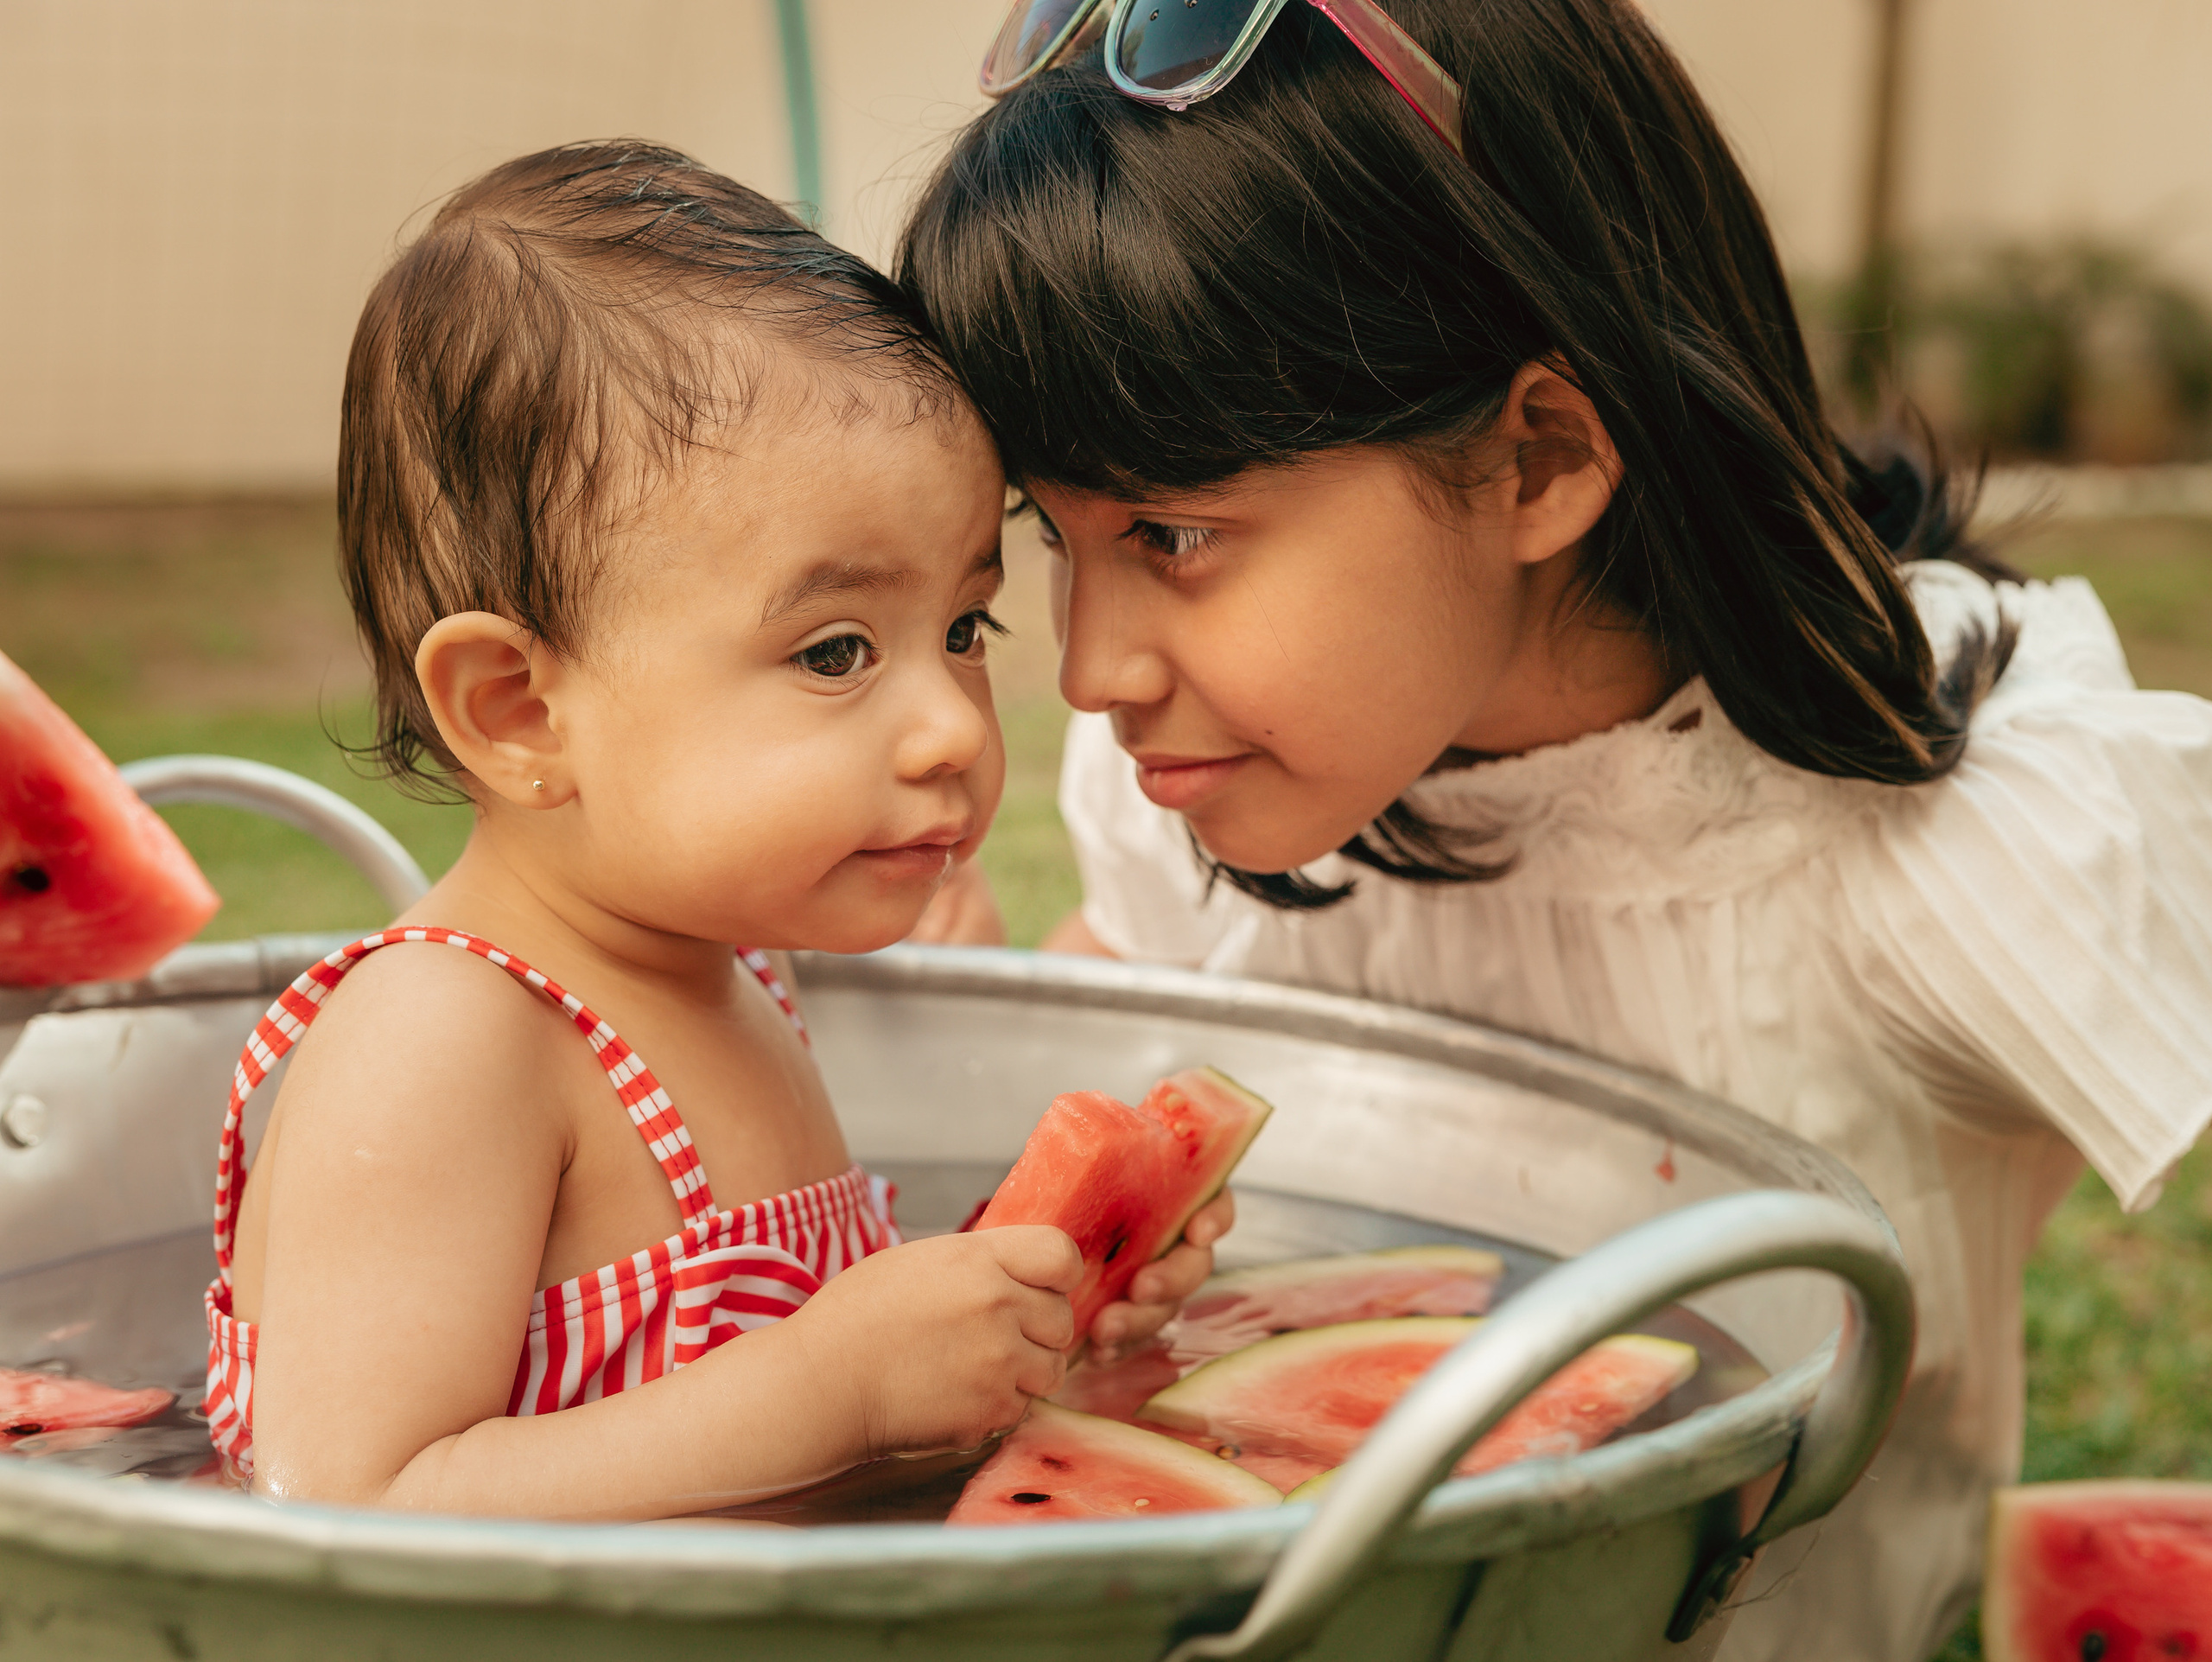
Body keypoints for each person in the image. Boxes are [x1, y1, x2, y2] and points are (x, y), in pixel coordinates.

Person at [896, 2, 2212, 1655]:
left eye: (1173, 530)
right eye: (1054, 534)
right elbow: (1150, 1042)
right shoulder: (1208, 784)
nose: (1090, 670)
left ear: (1539, 461)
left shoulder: (1943, 848)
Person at [204, 142, 1229, 1520]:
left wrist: (1017, 1318)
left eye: (964, 628)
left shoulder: (741, 969)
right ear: (517, 711)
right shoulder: (441, 1042)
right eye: (837, 651)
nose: (955, 731)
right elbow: (352, 1500)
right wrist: (835, 1389)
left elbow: (769, 1390)